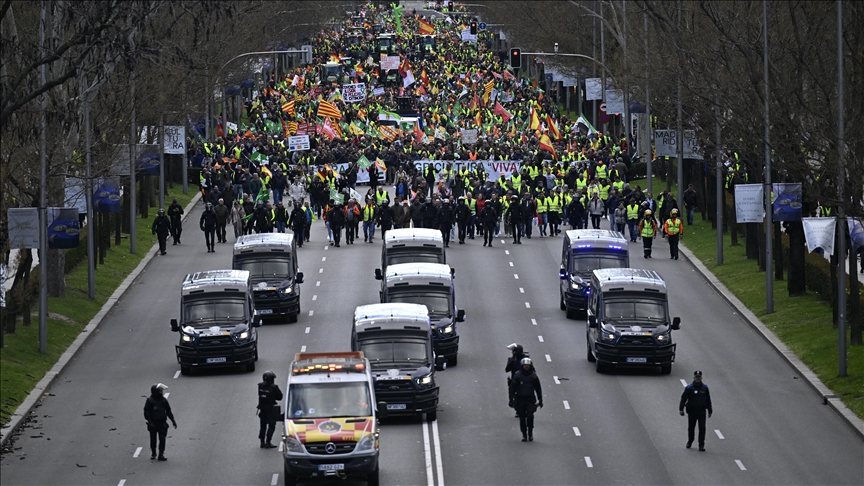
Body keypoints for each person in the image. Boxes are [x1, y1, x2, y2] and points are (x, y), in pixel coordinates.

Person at [509, 358, 542, 442]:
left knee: (530, 417)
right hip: (520, 400)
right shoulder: (518, 375)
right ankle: (524, 434)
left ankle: (530, 433)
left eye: (528, 365)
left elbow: (538, 388)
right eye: (525, 365)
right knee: (522, 418)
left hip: (530, 400)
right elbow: (512, 388)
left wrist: (540, 399)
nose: (526, 367)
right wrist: (511, 399)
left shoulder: (533, 376)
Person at [679, 370, 713, 451]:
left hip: (701, 411)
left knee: (702, 428)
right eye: (696, 377)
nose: (698, 378)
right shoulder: (689, 388)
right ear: (694, 378)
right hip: (692, 411)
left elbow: (708, 399)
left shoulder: (705, 388)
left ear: (701, 378)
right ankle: (690, 441)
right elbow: (684, 398)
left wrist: (710, 410)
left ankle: (701, 445)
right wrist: (681, 409)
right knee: (691, 428)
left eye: (699, 377)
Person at [143, 383, 176, 461]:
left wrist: (173, 420)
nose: (161, 392)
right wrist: (150, 422)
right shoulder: (150, 401)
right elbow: (146, 412)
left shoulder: (163, 401)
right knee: (153, 439)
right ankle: (153, 453)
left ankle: (161, 454)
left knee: (162, 438)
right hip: (153, 423)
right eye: (160, 391)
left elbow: (168, 411)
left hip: (162, 423)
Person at [257, 370, 284, 449]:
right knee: (271, 426)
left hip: (262, 409)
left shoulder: (260, 386)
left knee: (263, 426)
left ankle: (262, 442)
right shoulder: (274, 387)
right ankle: (268, 442)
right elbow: (280, 397)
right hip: (271, 410)